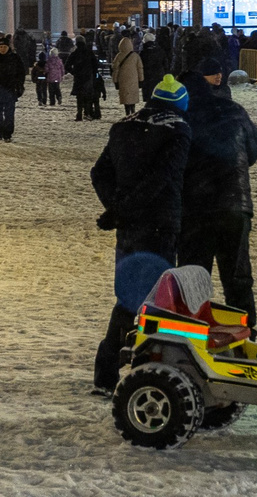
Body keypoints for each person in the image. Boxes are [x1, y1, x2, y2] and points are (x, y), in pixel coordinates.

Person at [88, 74, 193, 394]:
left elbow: (99, 172)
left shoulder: (124, 125)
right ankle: (153, 369)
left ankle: (106, 371)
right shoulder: (178, 129)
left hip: (128, 227)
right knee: (159, 299)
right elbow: (164, 177)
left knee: (130, 294)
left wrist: (117, 209)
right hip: (159, 224)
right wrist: (126, 210)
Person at [179, 59, 257, 309]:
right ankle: (247, 332)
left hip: (196, 208)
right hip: (235, 205)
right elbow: (253, 150)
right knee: (237, 276)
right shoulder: (234, 110)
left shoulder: (182, 117)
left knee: (192, 277)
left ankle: (192, 332)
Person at [0, 30, 29, 141]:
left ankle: (8, 133)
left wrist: (18, 85)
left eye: (4, 46)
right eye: (1, 47)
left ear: (8, 47)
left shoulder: (15, 59)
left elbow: (21, 73)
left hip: (10, 90)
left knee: (9, 114)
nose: (2, 49)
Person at [70, 35, 104, 120]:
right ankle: (87, 113)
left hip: (78, 78)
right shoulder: (89, 52)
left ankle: (79, 114)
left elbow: (67, 65)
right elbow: (95, 64)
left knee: (79, 97)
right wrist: (94, 73)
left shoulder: (74, 53)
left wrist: (74, 72)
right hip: (88, 77)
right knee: (88, 96)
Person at [111, 35, 143, 115]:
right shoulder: (135, 56)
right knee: (132, 97)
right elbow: (140, 68)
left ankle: (127, 112)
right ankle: (133, 111)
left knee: (126, 97)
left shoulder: (119, 56)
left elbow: (115, 69)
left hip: (123, 79)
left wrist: (115, 80)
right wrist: (141, 79)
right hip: (133, 79)